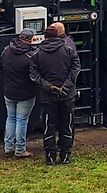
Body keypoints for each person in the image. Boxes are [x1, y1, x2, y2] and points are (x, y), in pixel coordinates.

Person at [30, 24, 80, 165]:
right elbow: (75, 69)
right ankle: (65, 156)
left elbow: (34, 75)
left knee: (48, 126)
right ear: (58, 35)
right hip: (67, 95)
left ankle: (50, 157)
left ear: (45, 37)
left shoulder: (37, 54)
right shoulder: (68, 50)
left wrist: (49, 87)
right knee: (67, 125)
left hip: (47, 97)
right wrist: (66, 86)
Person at [0, 27, 37, 158]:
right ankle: (20, 149)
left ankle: (8, 146)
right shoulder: (30, 56)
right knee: (21, 120)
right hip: (25, 93)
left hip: (9, 90)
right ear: (30, 40)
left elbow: (0, 68)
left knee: (11, 118)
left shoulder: (6, 50)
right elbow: (34, 75)